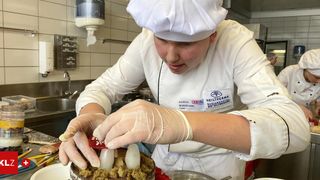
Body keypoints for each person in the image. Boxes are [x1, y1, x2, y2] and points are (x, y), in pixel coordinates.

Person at [59, 0, 310, 179]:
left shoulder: (234, 40)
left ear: (212, 35)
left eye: (186, 43)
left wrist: (182, 124)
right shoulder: (146, 41)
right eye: (162, 39)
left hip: (218, 167)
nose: (170, 56)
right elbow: (102, 87)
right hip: (164, 163)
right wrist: (91, 114)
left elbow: (294, 127)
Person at [278, 49, 320, 120]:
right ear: (306, 69)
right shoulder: (289, 73)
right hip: (283, 114)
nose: (319, 81)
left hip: (304, 117)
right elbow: (274, 95)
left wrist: (318, 106)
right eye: (316, 77)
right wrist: (297, 107)